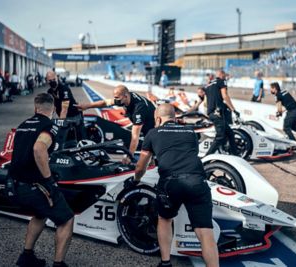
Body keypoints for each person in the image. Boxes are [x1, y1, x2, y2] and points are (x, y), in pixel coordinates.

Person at [130, 103, 219, 267]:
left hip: (171, 182)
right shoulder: (190, 132)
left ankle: (165, 263)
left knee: (164, 219)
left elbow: (141, 166)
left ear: (158, 118)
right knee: (205, 232)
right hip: (197, 181)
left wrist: (136, 180)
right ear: (174, 117)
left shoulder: (153, 133)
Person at [9, 93, 74, 267]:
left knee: (40, 213)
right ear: (52, 109)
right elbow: (39, 149)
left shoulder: (23, 125)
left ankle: (26, 256)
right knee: (66, 219)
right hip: (36, 186)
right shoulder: (49, 126)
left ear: (35, 108)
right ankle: (58, 264)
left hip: (15, 185)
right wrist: (49, 181)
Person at [75, 85, 156, 163]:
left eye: (117, 98)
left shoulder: (139, 108)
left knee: (148, 156)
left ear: (125, 96)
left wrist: (129, 156)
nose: (115, 100)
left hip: (153, 128)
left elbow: (135, 137)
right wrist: (87, 106)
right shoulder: (126, 96)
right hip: (144, 119)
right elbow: (105, 102)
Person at [203, 70, 239, 156]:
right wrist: (233, 110)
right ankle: (207, 158)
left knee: (230, 133)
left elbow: (205, 102)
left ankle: (235, 155)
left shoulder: (208, 84)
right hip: (217, 113)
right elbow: (225, 96)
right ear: (221, 74)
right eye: (225, 75)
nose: (226, 77)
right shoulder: (222, 81)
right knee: (220, 137)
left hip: (211, 113)